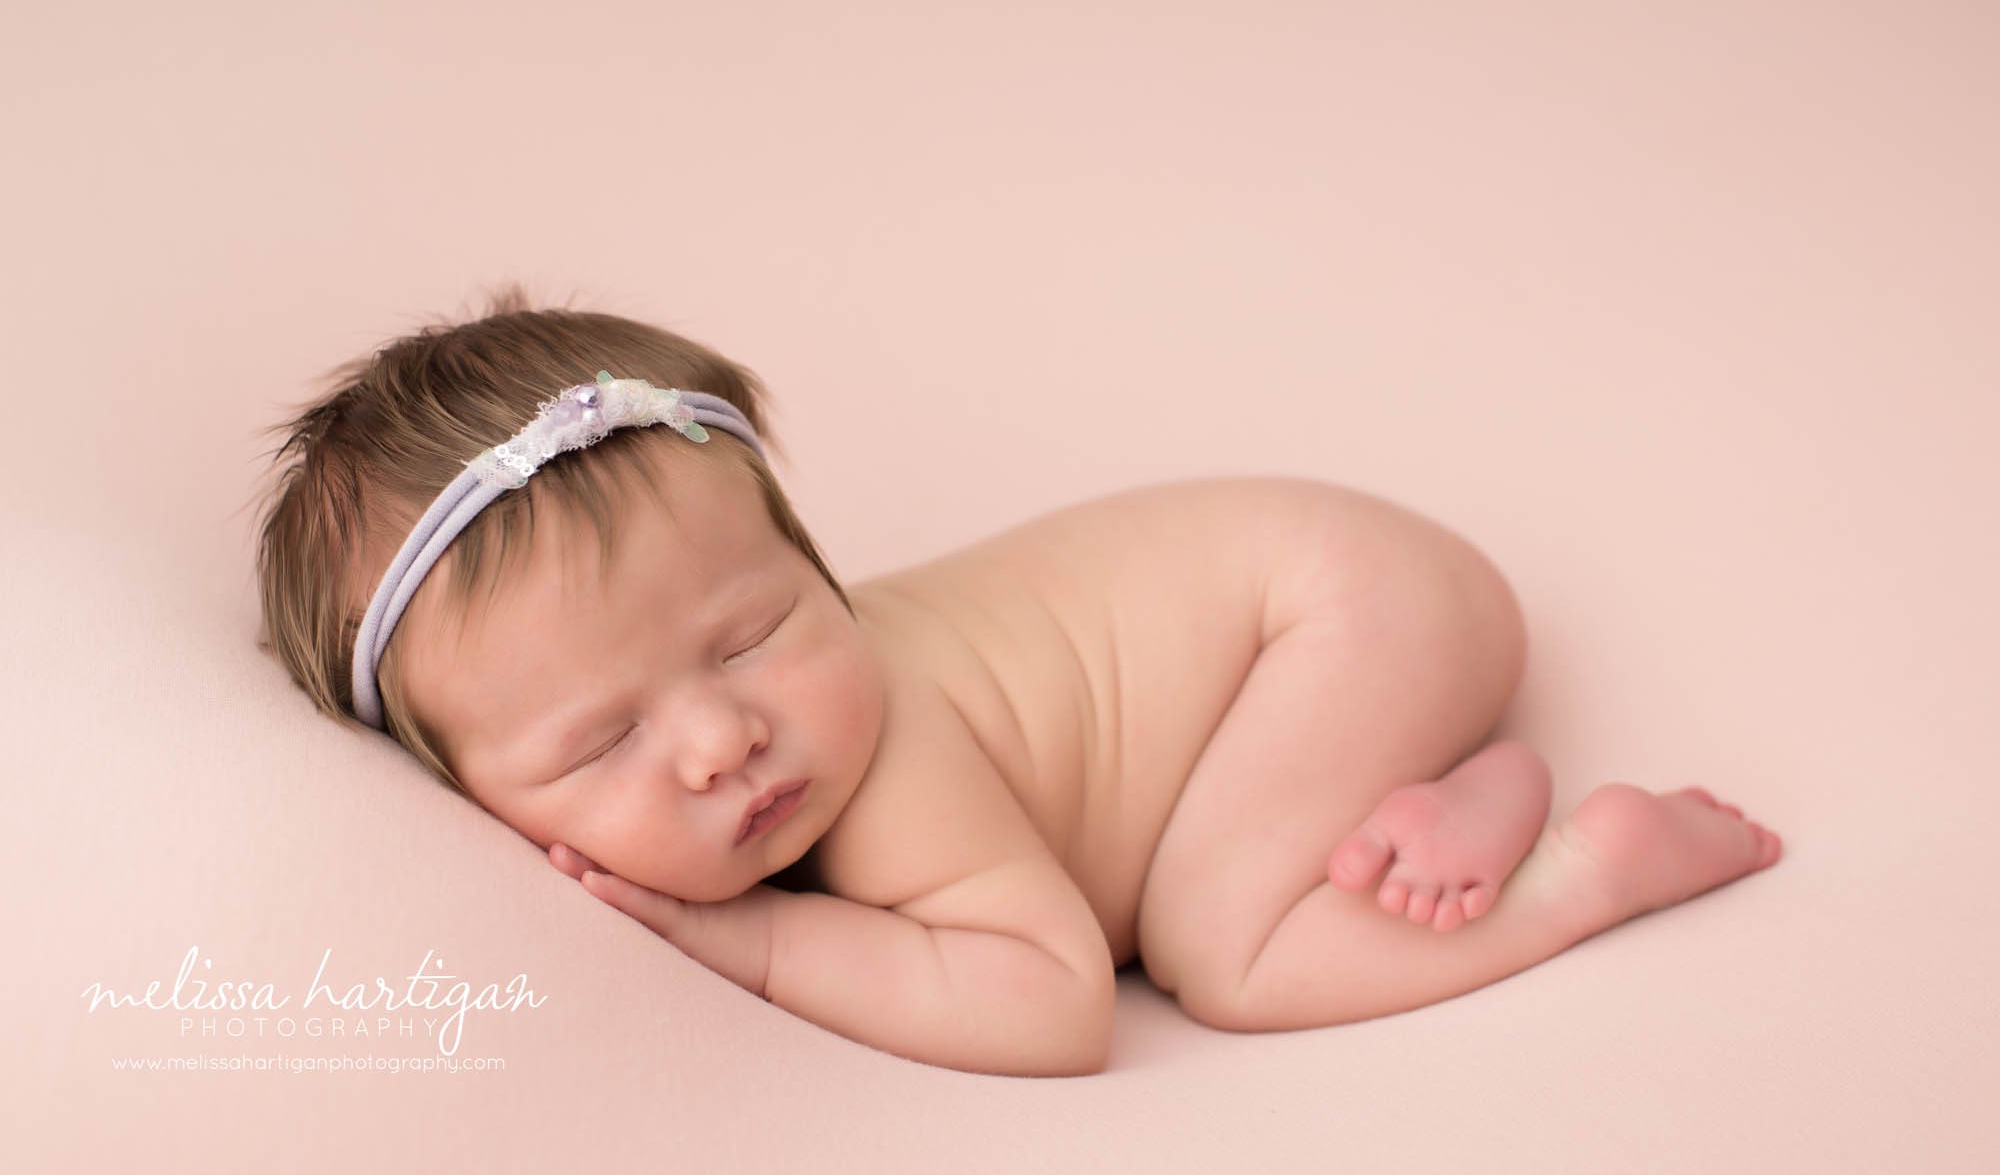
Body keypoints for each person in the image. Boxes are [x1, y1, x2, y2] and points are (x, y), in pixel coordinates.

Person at [252, 284, 1784, 1077]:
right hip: (1331, 623)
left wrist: (763, 953)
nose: (727, 737)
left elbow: (1054, 1002)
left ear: (817, 559)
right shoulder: (773, 728)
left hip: (1339, 612)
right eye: (602, 743)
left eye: (754, 633)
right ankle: (1452, 792)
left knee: (1224, 952)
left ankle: (1585, 870)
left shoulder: (886, 747)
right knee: (1231, 858)